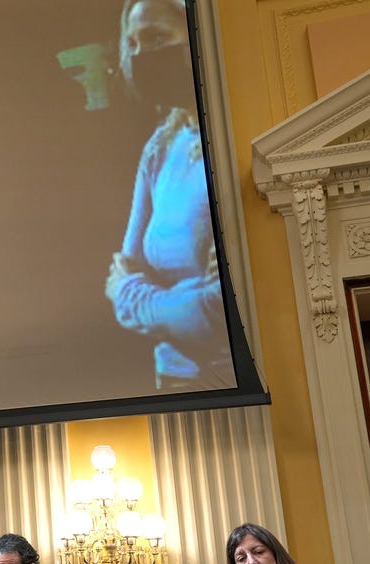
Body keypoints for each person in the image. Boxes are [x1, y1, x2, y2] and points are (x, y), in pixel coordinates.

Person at [105, 0, 234, 391]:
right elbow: (122, 270)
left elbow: (215, 312)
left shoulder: (230, 139)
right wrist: (174, 302)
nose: (144, 55)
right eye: (134, 44)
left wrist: (137, 297)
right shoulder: (159, 147)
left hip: (226, 380)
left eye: (157, 38)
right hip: (169, 380)